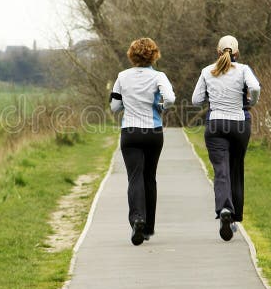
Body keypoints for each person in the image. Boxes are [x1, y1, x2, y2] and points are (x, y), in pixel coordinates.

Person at [191, 35, 260, 241]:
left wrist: (211, 97)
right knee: (236, 168)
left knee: (221, 170)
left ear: (217, 52)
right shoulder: (244, 69)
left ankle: (224, 210)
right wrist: (251, 102)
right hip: (239, 124)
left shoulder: (207, 71)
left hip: (216, 125)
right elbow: (255, 88)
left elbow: (196, 100)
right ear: (236, 53)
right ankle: (235, 217)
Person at [110, 38, 175, 246]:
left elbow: (114, 107)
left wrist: (127, 103)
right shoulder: (159, 76)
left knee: (135, 177)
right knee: (149, 178)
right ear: (154, 55)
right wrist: (161, 106)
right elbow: (170, 99)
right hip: (153, 132)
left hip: (130, 132)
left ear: (132, 55)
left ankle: (137, 219)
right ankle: (147, 228)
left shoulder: (122, 76)